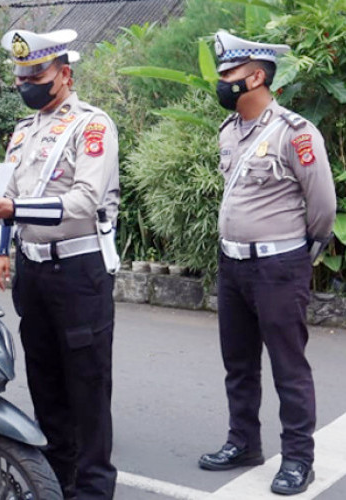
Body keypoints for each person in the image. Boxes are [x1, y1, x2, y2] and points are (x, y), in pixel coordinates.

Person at [0, 29, 119, 499]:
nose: (27, 83)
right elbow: (3, 194)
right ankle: (57, 479)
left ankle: (94, 487)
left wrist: (13, 213)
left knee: (87, 385)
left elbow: (84, 201)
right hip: (33, 272)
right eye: (21, 76)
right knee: (45, 380)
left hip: (78, 272)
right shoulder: (23, 130)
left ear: (64, 75)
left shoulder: (92, 126)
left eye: (36, 74)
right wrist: (1, 248)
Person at [198, 31, 336, 496]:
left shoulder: (295, 133)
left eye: (229, 74)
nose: (221, 82)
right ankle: (244, 443)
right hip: (233, 264)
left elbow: (322, 207)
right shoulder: (229, 131)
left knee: (288, 368)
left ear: (256, 77)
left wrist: (300, 255)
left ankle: (298, 459)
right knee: (238, 364)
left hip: (279, 267)